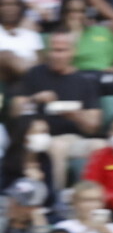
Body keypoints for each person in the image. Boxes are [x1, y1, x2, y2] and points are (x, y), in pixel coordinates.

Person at [13, 30, 104, 190]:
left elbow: (93, 125)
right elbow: (14, 110)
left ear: (73, 52)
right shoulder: (35, 74)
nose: (56, 55)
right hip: (41, 137)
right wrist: (35, 99)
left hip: (73, 138)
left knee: (101, 146)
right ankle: (58, 199)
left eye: (62, 50)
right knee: (58, 146)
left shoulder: (84, 81)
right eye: (53, 50)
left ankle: (91, 200)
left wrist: (75, 116)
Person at [55, 0, 113, 79]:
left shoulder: (102, 31)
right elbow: (58, 66)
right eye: (71, 11)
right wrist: (74, 32)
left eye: (81, 11)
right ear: (63, 13)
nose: (76, 15)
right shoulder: (57, 37)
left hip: (107, 76)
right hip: (78, 78)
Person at [0, 0, 42, 87]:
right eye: (4, 4)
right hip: (5, 82)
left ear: (20, 8)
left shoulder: (31, 33)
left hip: (27, 85)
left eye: (14, 4)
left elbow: (41, 62)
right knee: (6, 55)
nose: (9, 8)